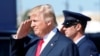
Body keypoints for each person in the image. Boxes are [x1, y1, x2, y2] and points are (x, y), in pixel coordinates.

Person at [11, 4, 79, 56]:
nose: (32, 25)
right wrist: (19, 38)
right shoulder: (33, 42)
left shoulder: (66, 45)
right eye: (31, 21)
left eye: (35, 21)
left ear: (49, 21)